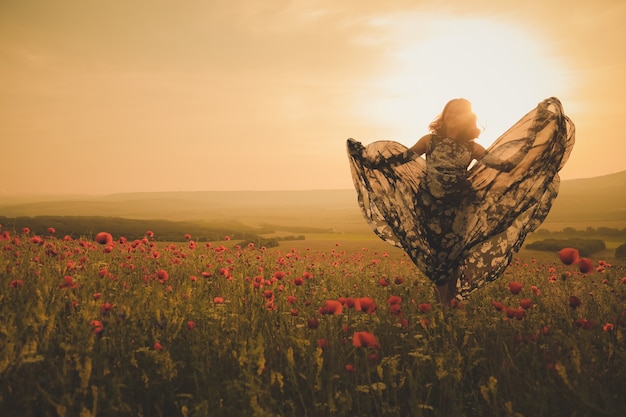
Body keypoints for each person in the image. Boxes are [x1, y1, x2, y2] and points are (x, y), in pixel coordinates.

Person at [347, 97, 575, 305]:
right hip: (430, 206)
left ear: (467, 118)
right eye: (449, 112)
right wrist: (369, 160)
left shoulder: (472, 148)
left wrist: (533, 139)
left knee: (454, 255)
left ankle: (448, 303)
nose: (452, 116)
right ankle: (442, 304)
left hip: (459, 206)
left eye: (458, 113)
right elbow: (402, 158)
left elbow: (505, 165)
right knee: (438, 256)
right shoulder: (430, 141)